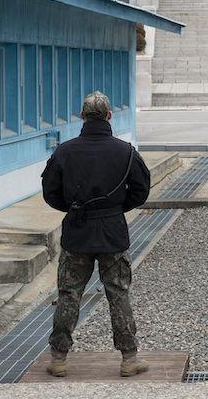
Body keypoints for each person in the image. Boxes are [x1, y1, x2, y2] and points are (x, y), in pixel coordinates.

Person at [41, 91, 152, 377]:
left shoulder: (64, 151)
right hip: (113, 232)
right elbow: (140, 192)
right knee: (119, 294)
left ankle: (58, 359)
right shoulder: (125, 151)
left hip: (77, 233)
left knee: (69, 294)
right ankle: (129, 359)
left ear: (82, 116)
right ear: (109, 116)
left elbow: (51, 193)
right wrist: (115, 209)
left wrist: (74, 209)